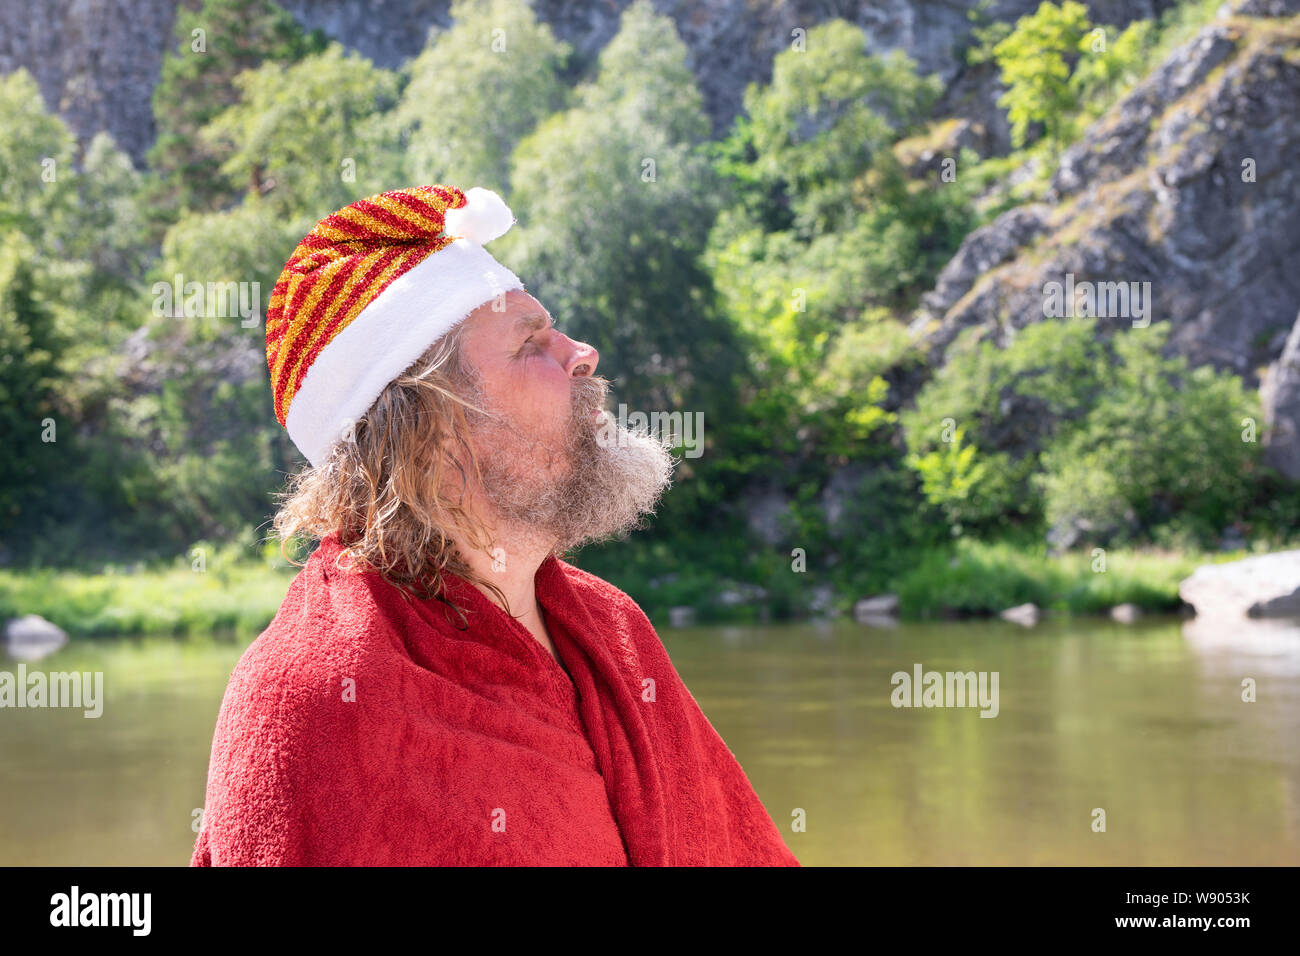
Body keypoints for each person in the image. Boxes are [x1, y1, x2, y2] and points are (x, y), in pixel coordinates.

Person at [190, 184, 800, 866]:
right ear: (431, 434)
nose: (582, 351)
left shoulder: (613, 626)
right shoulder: (314, 695)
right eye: (530, 343)